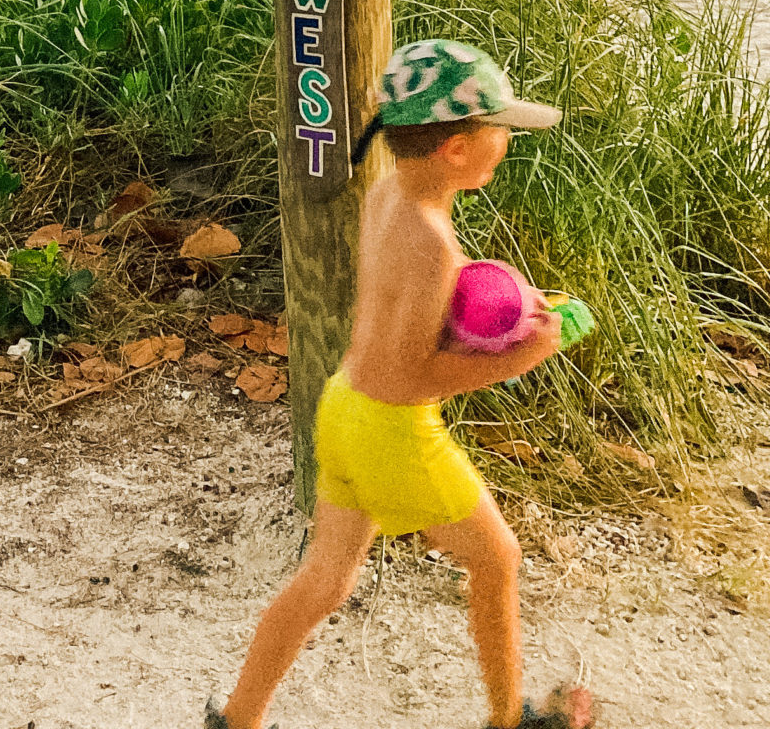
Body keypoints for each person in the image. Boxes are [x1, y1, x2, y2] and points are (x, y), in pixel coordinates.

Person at [207, 42, 593, 729]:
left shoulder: (388, 195)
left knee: (326, 580)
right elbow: (409, 374)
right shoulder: (436, 242)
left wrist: (493, 320)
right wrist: (520, 355)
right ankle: (511, 719)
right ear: (455, 149)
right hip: (390, 427)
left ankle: (238, 718)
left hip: (343, 407)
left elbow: (392, 334)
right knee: (498, 558)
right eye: (498, 130)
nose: (506, 141)